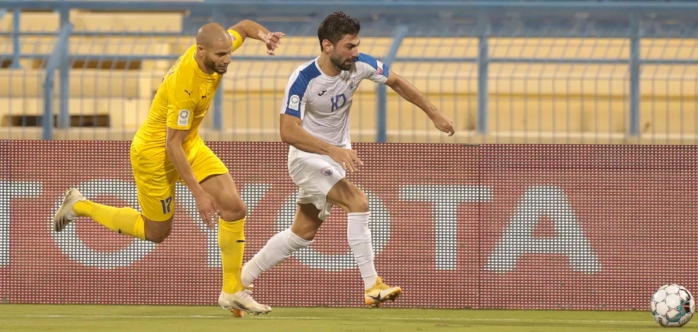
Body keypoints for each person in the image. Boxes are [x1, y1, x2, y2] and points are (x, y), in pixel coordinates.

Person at [52, 20, 285, 316]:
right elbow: (170, 144)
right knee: (156, 233)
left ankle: (232, 290)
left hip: (189, 145)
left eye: (229, 53)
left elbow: (244, 27)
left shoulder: (217, 47)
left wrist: (265, 36)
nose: (227, 60)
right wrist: (198, 193)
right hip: (154, 155)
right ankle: (80, 205)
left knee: (234, 207)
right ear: (201, 52)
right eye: (220, 56)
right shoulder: (186, 86)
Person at [240, 11, 455, 308]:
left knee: (302, 233)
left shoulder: (359, 65)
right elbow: (287, 132)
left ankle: (238, 282)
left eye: (357, 45)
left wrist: (433, 112)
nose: (355, 52)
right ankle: (372, 286)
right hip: (306, 158)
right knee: (358, 202)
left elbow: (397, 81)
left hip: (332, 160)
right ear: (327, 46)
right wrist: (332, 150)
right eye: (349, 46)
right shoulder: (304, 79)